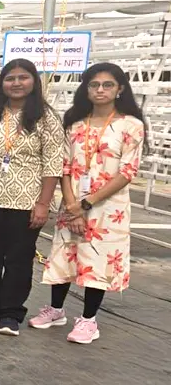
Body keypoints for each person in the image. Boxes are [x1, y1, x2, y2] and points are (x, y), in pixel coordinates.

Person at [35, 63, 145, 344]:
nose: (100, 90)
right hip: (71, 204)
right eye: (94, 84)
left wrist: (86, 204)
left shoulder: (130, 125)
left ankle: (88, 320)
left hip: (108, 209)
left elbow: (127, 172)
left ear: (120, 89)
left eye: (107, 85)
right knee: (64, 255)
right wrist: (71, 204)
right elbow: (64, 165)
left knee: (97, 261)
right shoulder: (74, 123)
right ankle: (56, 310)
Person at [0, 58, 63, 336]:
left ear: (34, 81)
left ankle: (10, 313)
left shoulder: (46, 116)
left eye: (23, 77)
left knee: (19, 257)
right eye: (10, 78)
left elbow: (53, 163)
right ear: (2, 83)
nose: (16, 83)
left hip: (26, 199)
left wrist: (43, 203)